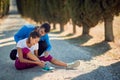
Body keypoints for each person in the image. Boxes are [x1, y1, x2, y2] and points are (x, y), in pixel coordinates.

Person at [10, 23, 80, 70]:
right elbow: (16, 36)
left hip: (31, 55)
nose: (41, 34)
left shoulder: (37, 43)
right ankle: (39, 63)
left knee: (46, 54)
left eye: (43, 34)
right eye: (41, 32)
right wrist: (21, 44)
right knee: (16, 54)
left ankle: (68, 65)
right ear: (39, 27)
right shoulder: (26, 29)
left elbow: (47, 47)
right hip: (22, 48)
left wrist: (44, 54)